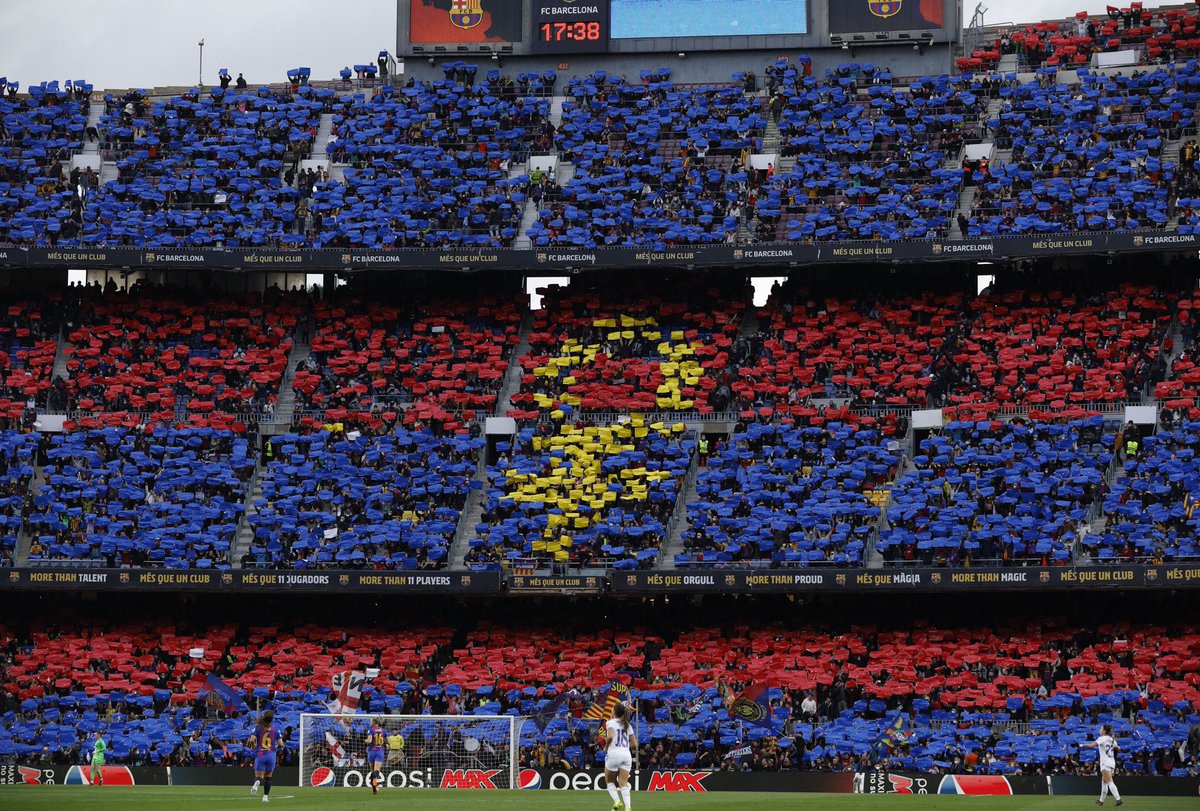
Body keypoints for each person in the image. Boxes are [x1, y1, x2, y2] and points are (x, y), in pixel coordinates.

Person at [602, 702, 636, 811]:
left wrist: (606, 747)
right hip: (626, 755)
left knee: (609, 781)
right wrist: (624, 747)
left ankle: (617, 802)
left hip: (614, 754)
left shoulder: (610, 722)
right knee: (623, 784)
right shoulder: (628, 725)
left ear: (614, 712)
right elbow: (634, 744)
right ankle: (628, 807)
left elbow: (610, 736)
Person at [1082, 724, 1122, 805]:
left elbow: (1091, 745)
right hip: (1111, 762)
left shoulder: (1102, 738)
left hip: (1105, 762)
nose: (1100, 730)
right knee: (1104, 781)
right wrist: (1116, 745)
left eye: (1101, 728)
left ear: (1104, 731)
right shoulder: (1111, 739)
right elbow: (1118, 748)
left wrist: (1081, 745)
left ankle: (1118, 799)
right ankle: (1101, 801)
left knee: (1109, 781)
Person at [248, 710, 277, 803]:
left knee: (259, 775)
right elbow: (281, 744)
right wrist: (277, 747)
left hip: (261, 754)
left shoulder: (259, 728)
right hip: (271, 754)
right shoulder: (274, 729)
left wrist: (253, 747)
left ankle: (258, 781)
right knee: (268, 777)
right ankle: (265, 797)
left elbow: (252, 740)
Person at [367, 719, 387, 795]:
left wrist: (365, 740)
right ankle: (375, 781)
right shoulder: (384, 731)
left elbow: (369, 741)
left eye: (371, 721)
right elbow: (388, 741)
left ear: (373, 722)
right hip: (380, 751)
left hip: (371, 751)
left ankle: (374, 790)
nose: (370, 722)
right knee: (376, 771)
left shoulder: (371, 730)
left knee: (372, 771)